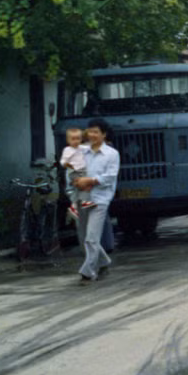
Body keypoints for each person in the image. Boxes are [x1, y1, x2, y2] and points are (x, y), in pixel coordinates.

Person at [72, 118, 118, 282]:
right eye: (90, 131)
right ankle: (104, 261)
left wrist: (91, 181)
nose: (92, 135)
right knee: (84, 237)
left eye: (96, 132)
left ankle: (88, 271)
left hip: (100, 200)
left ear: (104, 134)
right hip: (82, 198)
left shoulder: (111, 154)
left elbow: (110, 177)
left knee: (92, 237)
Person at [60, 127, 90, 220]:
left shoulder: (83, 149)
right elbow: (63, 161)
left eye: (78, 139)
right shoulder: (68, 150)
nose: (76, 141)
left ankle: (75, 207)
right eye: (73, 139)